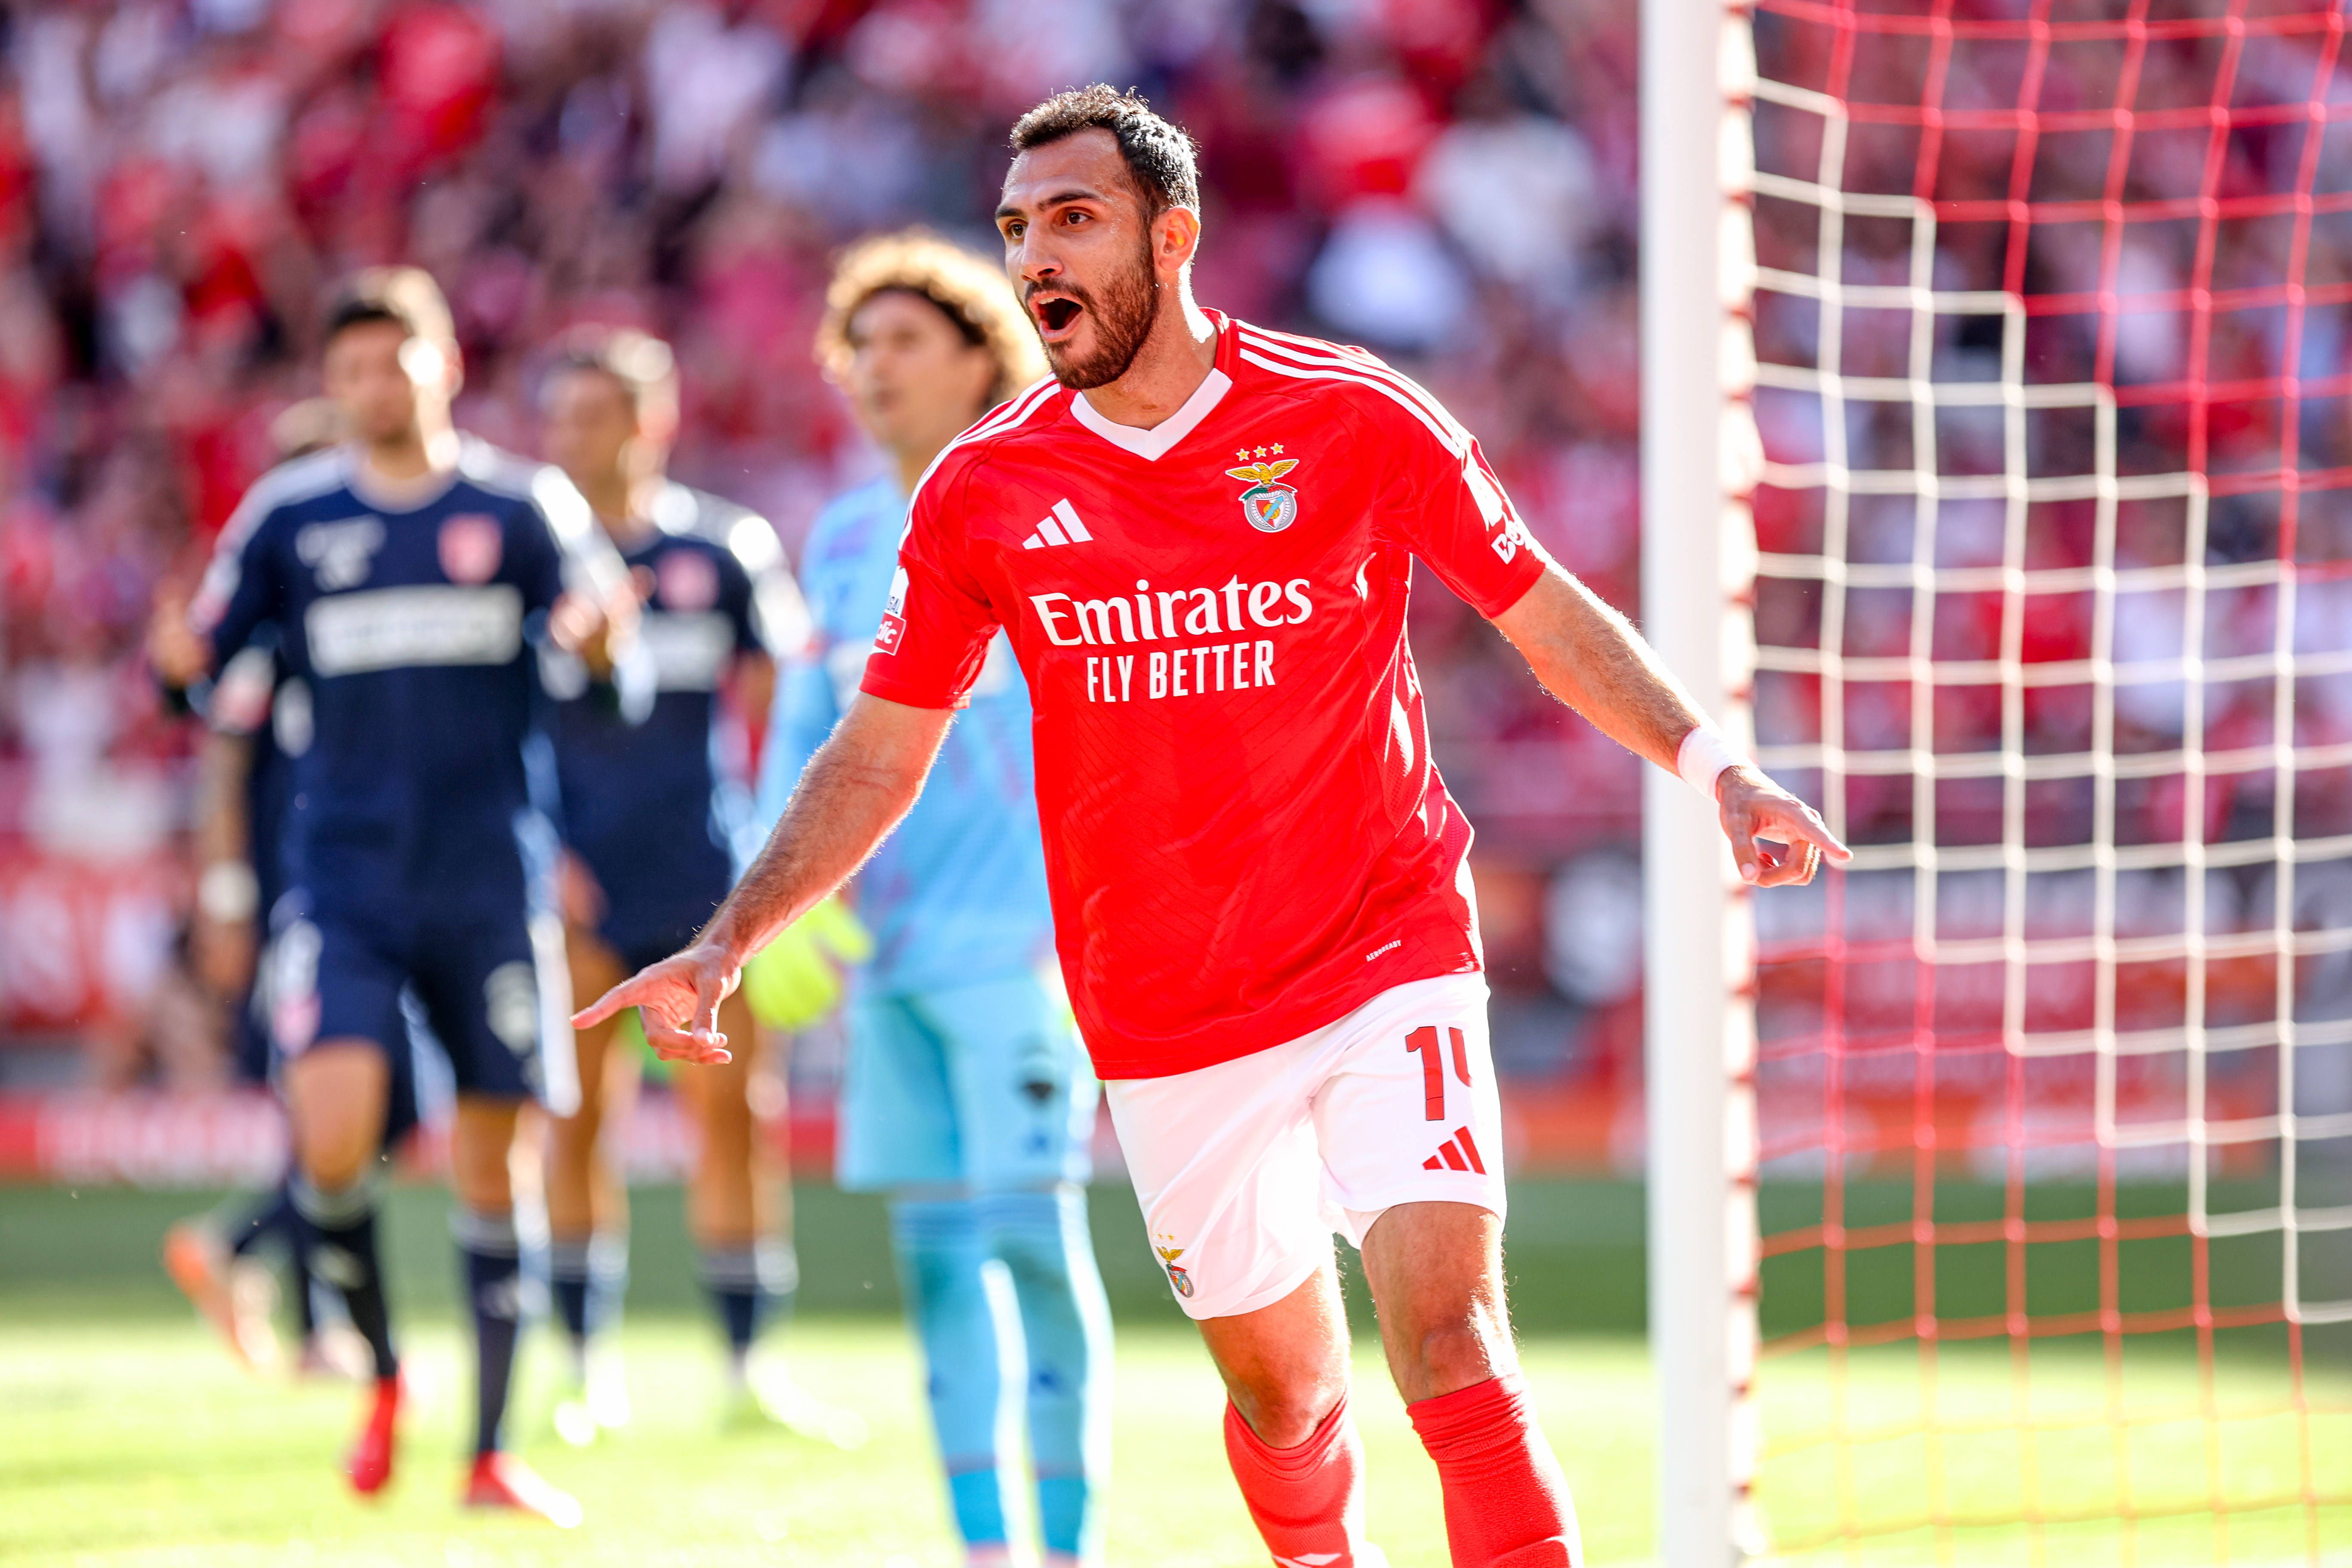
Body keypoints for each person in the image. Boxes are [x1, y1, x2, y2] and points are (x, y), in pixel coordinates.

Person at [576, 88, 1848, 1567]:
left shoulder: (1348, 412)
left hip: (1386, 945)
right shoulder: (982, 490)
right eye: (1016, 227)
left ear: (1171, 235)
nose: (1035, 255)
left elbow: (1538, 606)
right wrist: (732, 935)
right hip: (1166, 1004)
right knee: (1285, 1390)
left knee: (1450, 1343)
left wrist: (1713, 765)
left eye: (1073, 218)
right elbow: (880, 746)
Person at [149, 266, 637, 1525]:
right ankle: (381, 1375)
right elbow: (209, 685)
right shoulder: (290, 519)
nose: (376, 386)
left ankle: (488, 1454)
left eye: (396, 361)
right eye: (354, 367)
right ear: (334, 383)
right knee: (331, 1135)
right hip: (343, 879)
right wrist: (178, 676)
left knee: (496, 1165)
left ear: (444, 366)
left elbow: (610, 680)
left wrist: (600, 651)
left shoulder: (521, 508)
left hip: (489, 885)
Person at [756, 232, 1111, 1567]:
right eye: (860, 343)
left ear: (981, 358)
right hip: (888, 958)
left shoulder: (1058, 502)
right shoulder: (844, 538)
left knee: (1030, 1234)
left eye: (907, 339)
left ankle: (1066, 1547)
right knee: (934, 1260)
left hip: (1024, 948)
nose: (874, 366)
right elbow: (801, 734)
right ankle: (985, 1549)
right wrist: (772, 893)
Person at [533, 325, 839, 1440]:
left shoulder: (725, 547)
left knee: (737, 1119)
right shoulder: (531, 551)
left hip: (705, 879)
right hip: (570, 881)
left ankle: (749, 1368)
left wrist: (779, 861)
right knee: (573, 1121)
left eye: (597, 412)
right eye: (561, 416)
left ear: (652, 419)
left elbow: (785, 711)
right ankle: (579, 1368)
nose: (575, 437)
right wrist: (535, 850)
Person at [165, 399, 425, 1382]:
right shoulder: (272, 633)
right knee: (336, 1099)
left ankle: (269, 1275)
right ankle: (302, 1308)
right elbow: (224, 770)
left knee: (360, 1106)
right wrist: (230, 895)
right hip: (304, 890)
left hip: (377, 879)